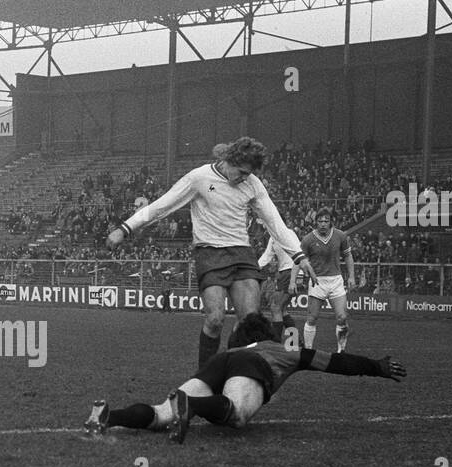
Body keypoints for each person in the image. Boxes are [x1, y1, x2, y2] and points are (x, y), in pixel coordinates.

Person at [107, 137, 314, 366]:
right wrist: (124, 229)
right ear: (229, 160)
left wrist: (299, 256)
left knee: (249, 322)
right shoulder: (199, 178)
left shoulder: (253, 183)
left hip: (241, 254)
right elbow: (161, 206)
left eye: (248, 174)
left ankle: (234, 373)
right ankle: (205, 379)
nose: (244, 178)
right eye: (242, 172)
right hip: (210, 254)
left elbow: (274, 221)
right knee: (215, 319)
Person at [84, 312, 406, 442]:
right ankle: (191, 406)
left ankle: (109, 416)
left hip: (219, 362)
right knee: (236, 415)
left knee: (158, 414)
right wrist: (376, 367)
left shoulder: (231, 349)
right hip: (253, 365)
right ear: (268, 334)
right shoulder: (282, 350)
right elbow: (335, 361)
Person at [299, 208, 355, 352]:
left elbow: (348, 256)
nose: (323, 224)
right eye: (320, 221)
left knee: (342, 317)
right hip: (317, 281)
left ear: (331, 222)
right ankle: (308, 350)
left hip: (336, 280)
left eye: (326, 221)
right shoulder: (308, 240)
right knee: (312, 318)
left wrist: (352, 276)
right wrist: (297, 278)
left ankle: (341, 351)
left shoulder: (341, 236)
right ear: (316, 222)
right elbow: (300, 260)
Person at [257, 234, 297, 340]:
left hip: (290, 272)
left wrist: (298, 275)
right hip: (284, 273)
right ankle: (295, 342)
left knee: (275, 307)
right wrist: (256, 268)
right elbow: (267, 255)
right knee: (282, 309)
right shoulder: (273, 236)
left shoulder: (288, 233)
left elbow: (300, 253)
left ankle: (276, 342)